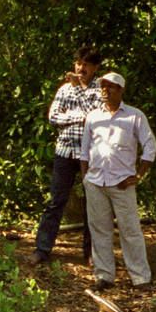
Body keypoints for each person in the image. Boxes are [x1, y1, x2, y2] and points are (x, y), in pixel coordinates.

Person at [82, 71, 156, 288]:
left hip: (122, 183)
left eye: (111, 87)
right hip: (96, 182)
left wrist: (139, 175)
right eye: (102, 86)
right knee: (99, 230)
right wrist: (85, 177)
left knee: (130, 230)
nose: (105, 90)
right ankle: (104, 276)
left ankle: (141, 277)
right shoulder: (93, 117)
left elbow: (150, 148)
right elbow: (84, 151)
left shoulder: (134, 116)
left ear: (121, 90)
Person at [34, 51, 102, 266]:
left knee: (93, 203)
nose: (80, 69)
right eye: (78, 64)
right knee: (55, 202)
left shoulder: (101, 88)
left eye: (86, 65)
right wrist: (79, 117)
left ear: (95, 68)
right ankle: (42, 250)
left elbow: (96, 116)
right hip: (65, 152)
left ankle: (91, 253)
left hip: (91, 155)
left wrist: (78, 91)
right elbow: (53, 117)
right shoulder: (63, 89)